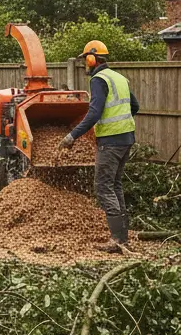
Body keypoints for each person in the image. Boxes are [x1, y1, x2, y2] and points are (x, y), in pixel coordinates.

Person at [59, 40, 140, 253]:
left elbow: (94, 113)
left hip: (111, 142)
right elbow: (135, 106)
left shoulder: (99, 79)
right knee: (115, 185)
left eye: (86, 59)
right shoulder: (119, 78)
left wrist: (72, 136)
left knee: (104, 187)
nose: (85, 64)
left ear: (92, 58)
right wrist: (121, 124)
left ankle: (117, 240)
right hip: (126, 139)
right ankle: (122, 238)